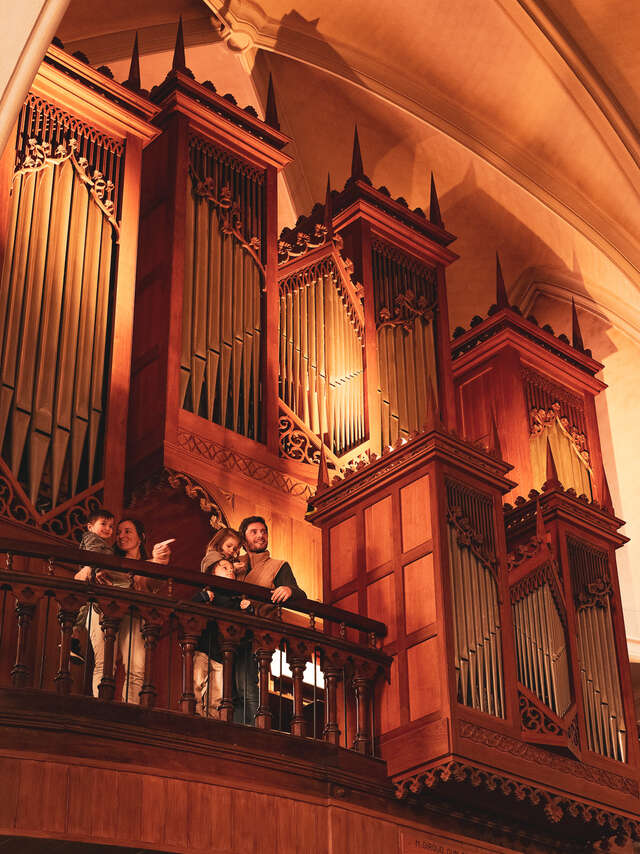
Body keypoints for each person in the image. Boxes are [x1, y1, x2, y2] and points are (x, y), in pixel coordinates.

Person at [75, 516, 172, 702]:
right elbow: (79, 578)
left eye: (127, 531)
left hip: (134, 615)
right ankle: (101, 706)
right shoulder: (107, 557)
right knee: (104, 663)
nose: (121, 535)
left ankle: (130, 710)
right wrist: (89, 568)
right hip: (102, 612)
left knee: (136, 667)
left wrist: (159, 561)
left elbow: (151, 581)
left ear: (141, 537)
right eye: (118, 532)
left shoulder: (148, 563)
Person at [233, 516, 306, 725]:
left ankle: (254, 731)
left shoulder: (278, 566)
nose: (260, 535)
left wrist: (288, 589)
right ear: (244, 541)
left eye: (263, 531)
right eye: (254, 532)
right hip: (231, 631)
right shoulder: (234, 565)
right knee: (232, 688)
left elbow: (301, 594)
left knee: (248, 685)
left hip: (257, 634)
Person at [192, 543, 251, 718]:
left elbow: (244, 625)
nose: (230, 571)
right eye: (224, 568)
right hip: (201, 647)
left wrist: (248, 609)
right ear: (212, 572)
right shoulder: (207, 592)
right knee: (195, 684)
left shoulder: (235, 599)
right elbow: (189, 607)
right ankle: (193, 716)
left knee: (217, 695)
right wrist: (202, 597)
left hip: (221, 653)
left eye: (232, 569)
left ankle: (212, 723)